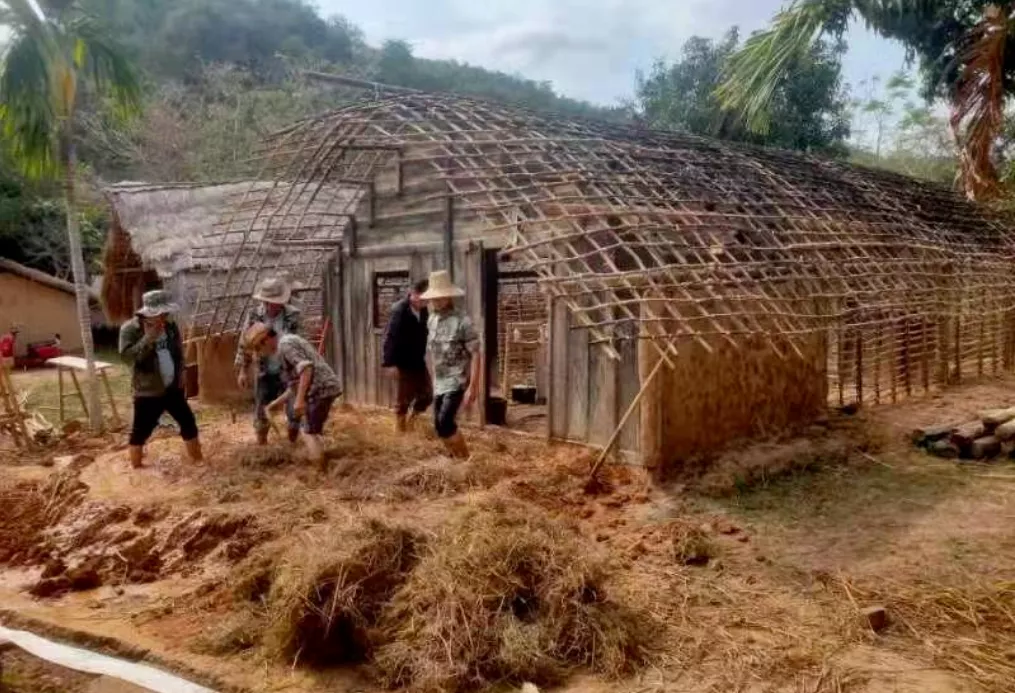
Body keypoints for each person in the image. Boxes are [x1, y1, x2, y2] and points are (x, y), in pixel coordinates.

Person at [241, 322, 342, 471]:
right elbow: (294, 386)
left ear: (266, 340)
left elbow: (306, 369)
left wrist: (300, 400)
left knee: (307, 432)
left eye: (258, 348)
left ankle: (320, 471)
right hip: (323, 388)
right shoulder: (284, 346)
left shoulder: (285, 345)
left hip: (320, 388)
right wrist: (274, 404)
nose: (260, 353)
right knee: (312, 430)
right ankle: (322, 459)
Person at [119, 290, 203, 469]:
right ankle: (136, 470)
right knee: (141, 431)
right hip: (148, 390)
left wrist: (182, 372)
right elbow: (127, 358)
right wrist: (148, 338)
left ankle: (198, 463)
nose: (164, 316)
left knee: (188, 422)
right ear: (148, 313)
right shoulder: (130, 330)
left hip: (173, 387)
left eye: (165, 313)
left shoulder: (170, 326)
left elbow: (178, 352)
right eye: (161, 313)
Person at [234, 276, 302, 445]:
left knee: (294, 409)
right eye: (268, 302)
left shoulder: (293, 315)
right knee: (261, 408)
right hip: (264, 368)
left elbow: (301, 343)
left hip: (289, 369)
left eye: (275, 302)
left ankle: (292, 443)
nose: (271, 306)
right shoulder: (254, 315)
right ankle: (262, 445)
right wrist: (243, 370)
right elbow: (245, 343)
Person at [422, 270, 480, 459]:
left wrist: (473, 387)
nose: (437, 301)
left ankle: (466, 459)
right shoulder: (431, 320)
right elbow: (432, 353)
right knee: (439, 427)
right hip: (439, 380)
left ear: (449, 296)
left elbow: (476, 353)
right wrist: (431, 380)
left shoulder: (462, 321)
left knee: (446, 421)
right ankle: (454, 457)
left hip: (457, 380)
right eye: (434, 298)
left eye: (441, 297)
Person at [382, 278, 432, 433]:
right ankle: (400, 430)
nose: (424, 301)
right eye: (421, 297)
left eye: (426, 299)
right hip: (402, 361)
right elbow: (390, 337)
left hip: (418, 360)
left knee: (427, 395)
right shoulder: (400, 310)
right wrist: (389, 363)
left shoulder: (424, 310)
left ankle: (413, 420)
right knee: (403, 399)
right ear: (413, 293)